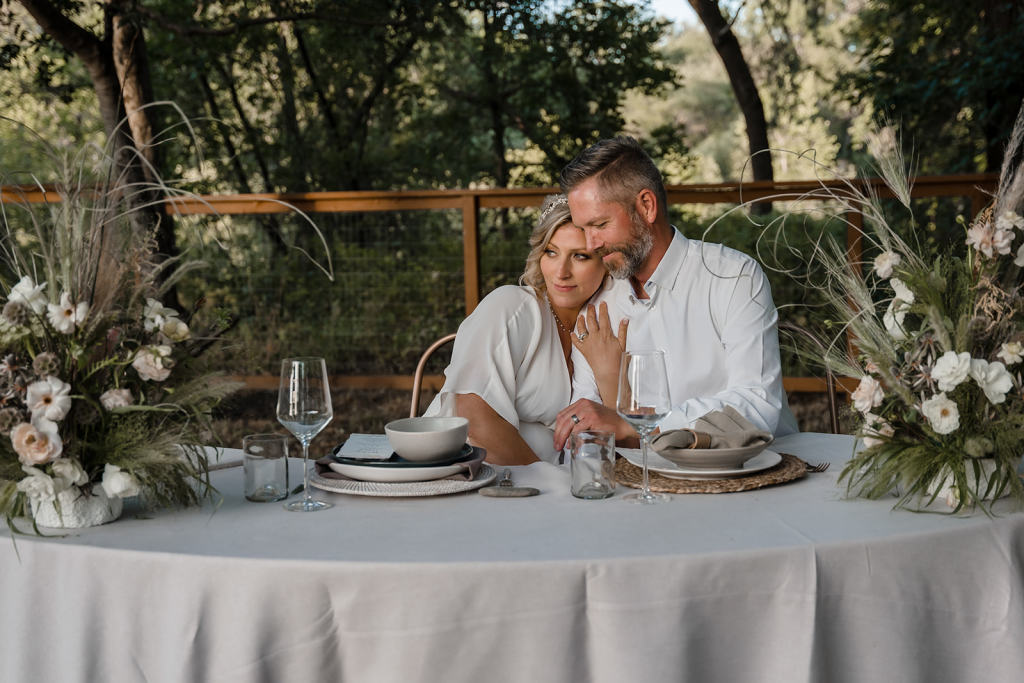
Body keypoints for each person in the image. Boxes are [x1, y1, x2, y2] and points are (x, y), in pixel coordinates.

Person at [552, 136, 798, 451]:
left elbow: (757, 404)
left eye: (599, 224)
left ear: (646, 206)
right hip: (648, 483)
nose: (590, 244)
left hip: (758, 472)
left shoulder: (733, 277)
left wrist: (633, 423)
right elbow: (585, 420)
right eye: (583, 228)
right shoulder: (599, 304)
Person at [424, 194, 627, 465]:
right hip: (454, 470)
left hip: (529, 488)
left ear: (606, 264)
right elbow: (473, 419)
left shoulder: (600, 329)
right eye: (551, 252)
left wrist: (608, 373)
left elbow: (615, 435)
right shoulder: (513, 306)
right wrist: (550, 485)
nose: (561, 272)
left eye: (580, 256)